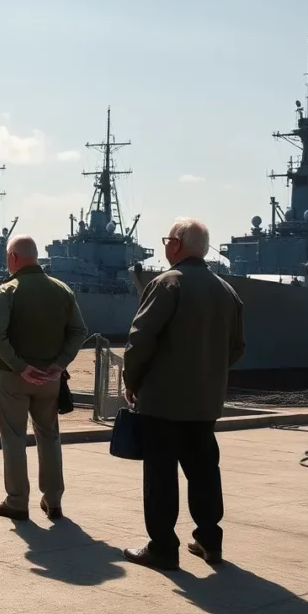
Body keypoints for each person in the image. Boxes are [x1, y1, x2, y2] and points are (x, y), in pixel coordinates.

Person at [122, 217, 244, 571]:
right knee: (204, 470)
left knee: (160, 476)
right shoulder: (227, 291)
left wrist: (134, 382)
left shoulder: (167, 284)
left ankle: (162, 548)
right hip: (206, 402)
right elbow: (236, 348)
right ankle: (209, 540)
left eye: (166, 240)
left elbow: (140, 340)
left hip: (162, 401)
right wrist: (208, 374)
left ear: (176, 244)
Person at [0, 235, 88, 521]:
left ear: (14, 257)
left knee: (14, 438)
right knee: (50, 436)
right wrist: (59, 364)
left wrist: (20, 366)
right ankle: (53, 500)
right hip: (50, 379)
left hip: (11, 377)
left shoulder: (7, 290)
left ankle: (17, 501)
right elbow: (79, 331)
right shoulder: (62, 289)